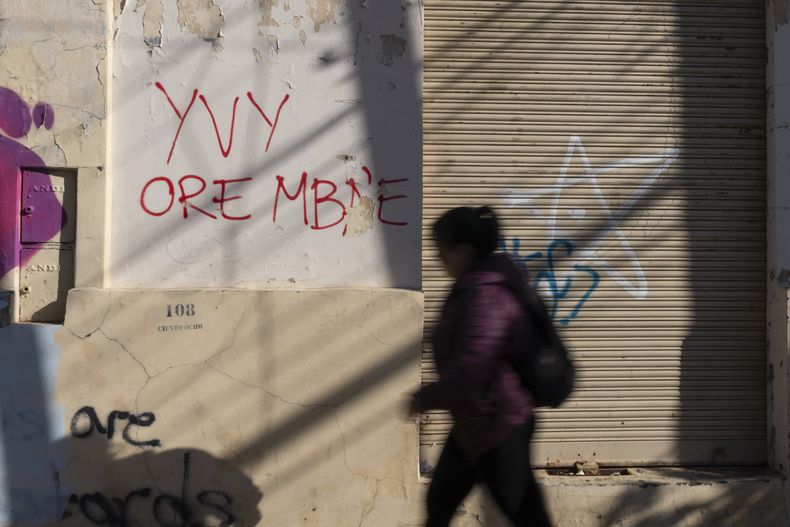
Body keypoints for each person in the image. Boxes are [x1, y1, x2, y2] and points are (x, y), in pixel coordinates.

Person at [407, 206, 552, 527]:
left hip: (500, 426)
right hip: (474, 423)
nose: (439, 257)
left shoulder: (485, 295)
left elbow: (474, 365)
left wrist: (427, 398)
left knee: (526, 516)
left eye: (443, 249)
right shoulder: (472, 287)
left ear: (465, 250)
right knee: (439, 502)